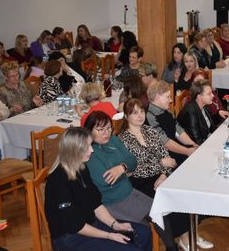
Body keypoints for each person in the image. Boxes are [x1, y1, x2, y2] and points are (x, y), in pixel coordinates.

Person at [45, 127, 152, 251]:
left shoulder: (81, 168)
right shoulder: (58, 180)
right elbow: (75, 226)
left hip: (90, 224)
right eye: (86, 147)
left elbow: (96, 204)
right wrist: (109, 235)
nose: (91, 150)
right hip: (70, 237)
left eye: (90, 145)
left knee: (144, 233)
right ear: (73, 150)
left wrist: (115, 224)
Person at [118, 99, 201, 251]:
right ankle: (171, 246)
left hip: (160, 176)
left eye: (142, 111)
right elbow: (134, 169)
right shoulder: (123, 139)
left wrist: (163, 174)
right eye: (135, 113)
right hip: (139, 182)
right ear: (126, 116)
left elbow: (168, 159)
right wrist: (160, 164)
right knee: (160, 204)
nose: (140, 116)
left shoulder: (150, 131)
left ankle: (187, 237)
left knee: (182, 193)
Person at [146, 80, 199, 165]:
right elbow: (165, 143)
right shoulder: (149, 116)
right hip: (164, 157)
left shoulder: (167, 111)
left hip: (175, 148)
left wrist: (192, 144)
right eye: (168, 97)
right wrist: (187, 151)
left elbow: (179, 131)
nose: (170, 100)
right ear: (157, 97)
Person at [177, 80, 218, 145]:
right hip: (192, 148)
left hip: (206, 141)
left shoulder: (204, 106)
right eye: (209, 94)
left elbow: (210, 124)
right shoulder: (191, 111)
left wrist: (219, 114)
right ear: (199, 97)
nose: (213, 95)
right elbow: (197, 141)